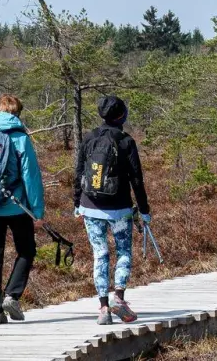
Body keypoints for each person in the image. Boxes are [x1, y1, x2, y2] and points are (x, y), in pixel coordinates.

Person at [74, 95, 151, 325]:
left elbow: (78, 175)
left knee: (100, 255)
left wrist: (76, 204)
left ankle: (104, 308)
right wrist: (144, 210)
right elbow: (137, 179)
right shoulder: (126, 141)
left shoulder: (89, 138)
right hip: (120, 209)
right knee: (124, 252)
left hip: (90, 207)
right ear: (121, 116)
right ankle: (119, 297)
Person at [0, 94, 44, 325]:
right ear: (18, 113)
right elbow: (31, 177)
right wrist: (37, 212)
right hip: (17, 207)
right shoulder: (20, 138)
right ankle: (12, 295)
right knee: (26, 250)